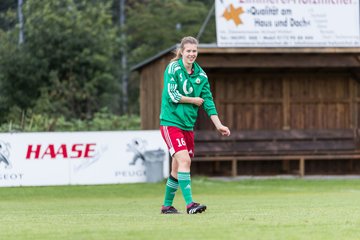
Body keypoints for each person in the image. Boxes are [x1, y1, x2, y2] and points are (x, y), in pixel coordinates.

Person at [159, 36, 231, 214]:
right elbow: (172, 95)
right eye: (188, 51)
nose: (192, 54)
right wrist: (193, 100)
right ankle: (190, 204)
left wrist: (219, 124)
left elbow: (208, 101)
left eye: (194, 51)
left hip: (187, 126)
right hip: (171, 122)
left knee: (177, 168)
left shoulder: (201, 75)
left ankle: (167, 206)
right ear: (182, 52)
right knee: (185, 160)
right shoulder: (173, 68)